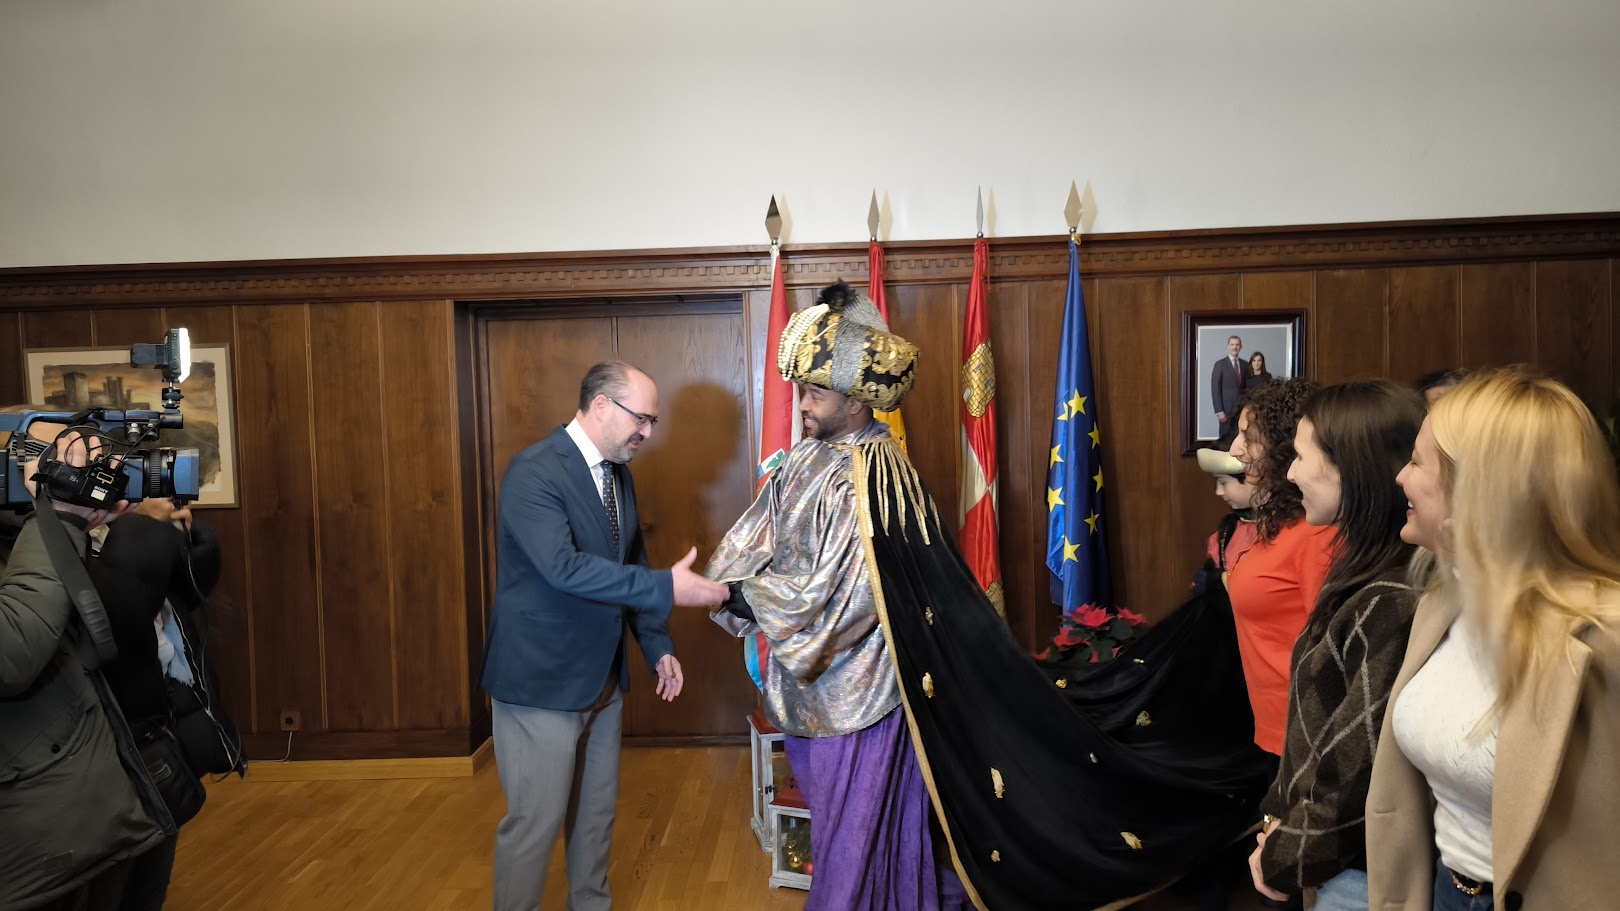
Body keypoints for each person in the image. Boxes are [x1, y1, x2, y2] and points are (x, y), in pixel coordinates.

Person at [707, 282, 1273, 911]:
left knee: (853, 843)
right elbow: (757, 532)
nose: (802, 406)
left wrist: (749, 596)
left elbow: (847, 595)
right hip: (807, 680)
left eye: (813, 392)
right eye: (802, 391)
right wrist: (730, 582)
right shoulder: (809, 456)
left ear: (856, 397)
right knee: (838, 827)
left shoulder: (871, 474)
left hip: (861, 688)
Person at [479, 361, 728, 911]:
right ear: (600, 407)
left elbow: (629, 562)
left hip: (603, 682)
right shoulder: (534, 473)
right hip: (540, 683)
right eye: (642, 418)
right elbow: (564, 569)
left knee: (594, 818)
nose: (648, 432)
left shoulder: (618, 473)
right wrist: (669, 587)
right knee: (535, 826)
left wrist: (657, 645)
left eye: (653, 421)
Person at [1367, 369, 1620, 910]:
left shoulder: (1606, 639)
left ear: (1479, 489)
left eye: (1415, 462)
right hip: (1444, 888)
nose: (1399, 479)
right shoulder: (1444, 600)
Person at [1247, 381, 1424, 910]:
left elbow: (1359, 762)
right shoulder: (1360, 571)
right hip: (1336, 863)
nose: (1291, 472)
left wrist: (1284, 852)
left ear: (1353, 466)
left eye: (1301, 457)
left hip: (1359, 873)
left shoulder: (1391, 597)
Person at [1, 431, 175, 911]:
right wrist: (57, 520)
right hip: (33, 838)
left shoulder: (25, 532)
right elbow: (14, 648)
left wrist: (69, 519)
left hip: (85, 807)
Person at [1225, 379, 1337, 759]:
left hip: (1306, 737)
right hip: (1276, 727)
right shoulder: (1281, 519)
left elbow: (1327, 652)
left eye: (1249, 438)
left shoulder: (1314, 532)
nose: (1235, 450)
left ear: (1284, 446)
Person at [1211, 334, 1246, 433]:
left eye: (1237, 345)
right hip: (1226, 411)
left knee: (1240, 439)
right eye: (1232, 344)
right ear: (1228, 346)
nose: (1235, 347)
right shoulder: (1220, 365)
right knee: (1225, 440)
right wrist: (1219, 411)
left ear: (1241, 346)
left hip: (1241, 410)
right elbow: (1215, 389)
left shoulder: (1245, 365)